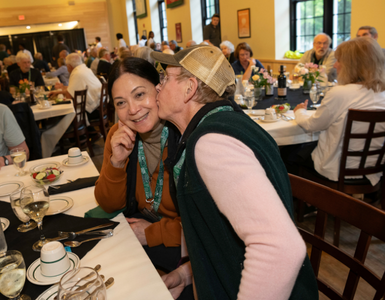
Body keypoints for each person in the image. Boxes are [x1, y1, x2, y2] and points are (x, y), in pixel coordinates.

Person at [151, 45, 318, 299]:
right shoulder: (227, 122)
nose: (157, 87)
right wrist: (189, 273)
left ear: (190, 88)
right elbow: (223, 234)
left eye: (165, 78)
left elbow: (280, 248)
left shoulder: (211, 144)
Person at [94, 57, 183, 274]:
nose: (133, 110)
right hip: (139, 236)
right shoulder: (119, 136)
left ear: (158, 90)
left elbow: (206, 224)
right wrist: (117, 162)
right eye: (121, 102)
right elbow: (109, 205)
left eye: (140, 94)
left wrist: (153, 233)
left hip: (182, 246)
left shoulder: (184, 136)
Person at [288, 37, 385, 186]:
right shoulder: (382, 93)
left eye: (339, 61)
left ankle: (309, 199)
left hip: (337, 168)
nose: (335, 66)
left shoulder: (340, 93)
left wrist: (299, 111)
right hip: (374, 168)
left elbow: (311, 125)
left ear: (352, 65)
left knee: (289, 152)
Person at [49, 53, 101, 119]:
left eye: (67, 66)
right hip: (99, 106)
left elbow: (69, 97)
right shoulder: (84, 69)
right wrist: (57, 92)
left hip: (92, 111)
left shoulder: (76, 73)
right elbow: (74, 90)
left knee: (60, 112)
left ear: (70, 66)